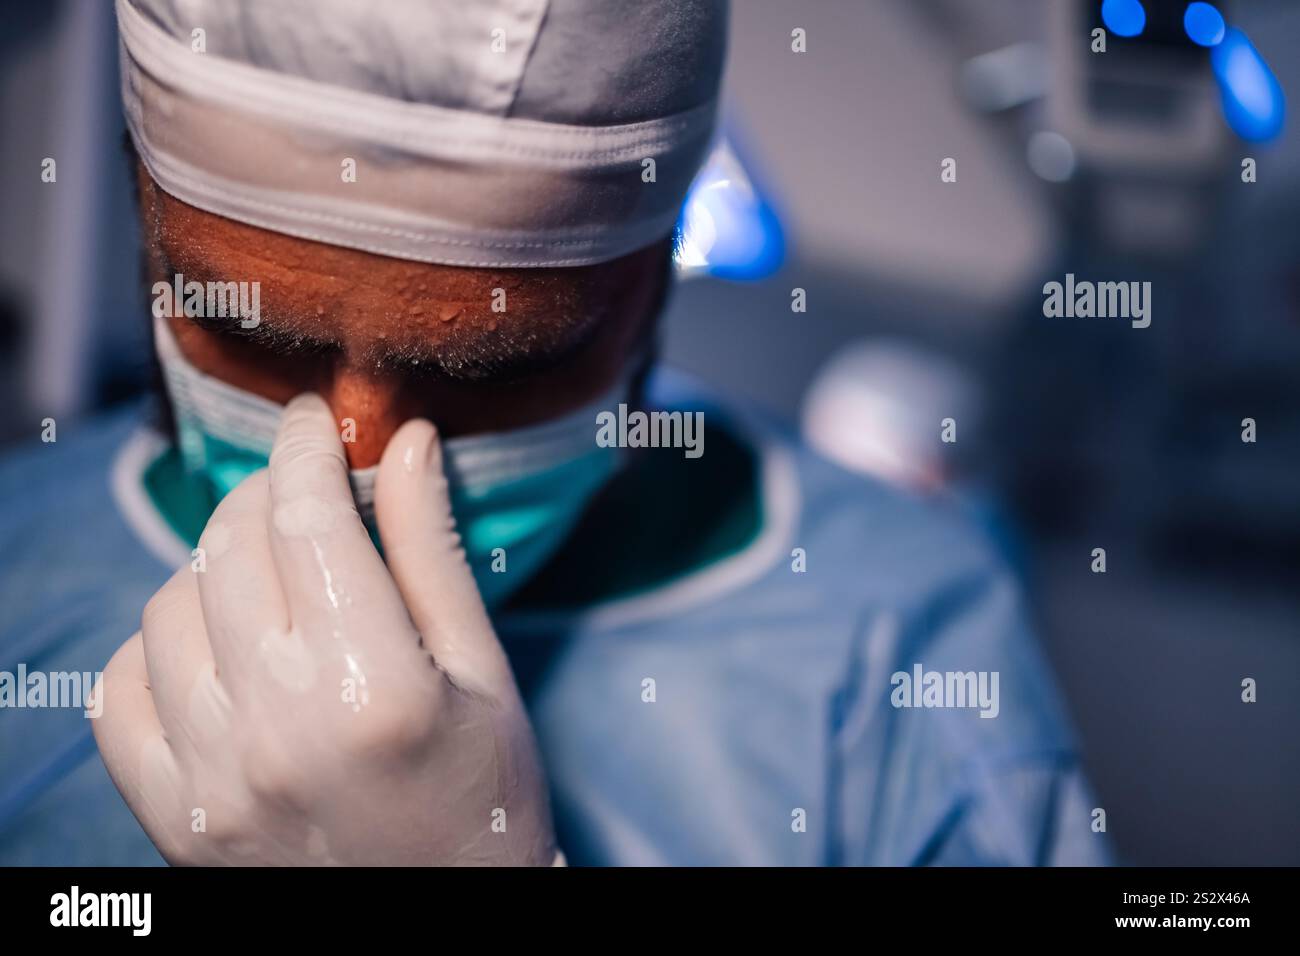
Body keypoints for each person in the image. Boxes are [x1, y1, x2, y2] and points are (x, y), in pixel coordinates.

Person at [0, 0, 1108, 865]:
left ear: (658, 268)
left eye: (497, 367)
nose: (354, 463)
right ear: (149, 215)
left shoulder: (893, 644)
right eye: (256, 337)